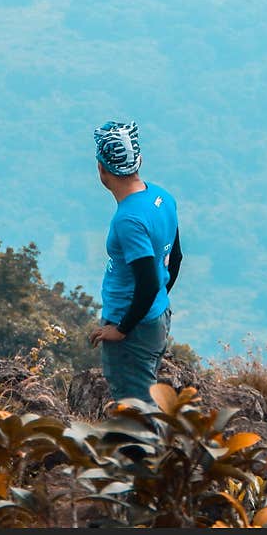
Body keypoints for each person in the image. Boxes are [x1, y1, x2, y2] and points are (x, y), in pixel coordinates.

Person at [89, 120, 182, 403]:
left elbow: (148, 281)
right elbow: (174, 258)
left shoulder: (129, 219)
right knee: (145, 395)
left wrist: (122, 329)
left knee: (134, 407)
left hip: (134, 329)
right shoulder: (161, 197)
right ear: (138, 162)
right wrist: (156, 305)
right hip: (155, 318)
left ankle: (144, 449)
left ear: (102, 169)